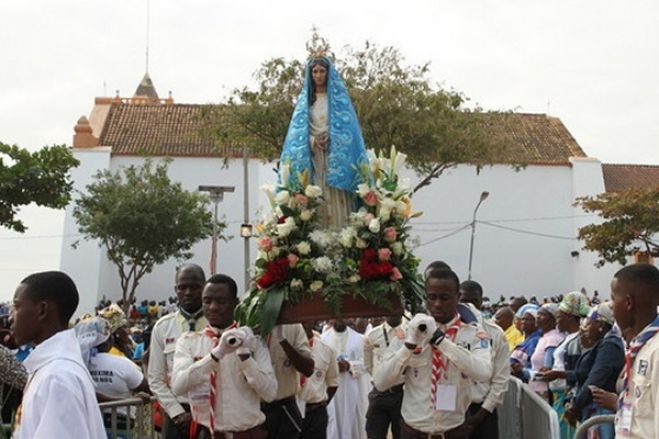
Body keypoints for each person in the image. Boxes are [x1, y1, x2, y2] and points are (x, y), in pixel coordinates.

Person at [374, 268, 492, 438]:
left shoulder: (473, 333)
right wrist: (407, 347)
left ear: (458, 297)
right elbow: (381, 382)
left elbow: (483, 373)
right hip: (414, 432)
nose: (437, 304)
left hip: (454, 432)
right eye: (432, 297)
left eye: (444, 298)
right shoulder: (409, 331)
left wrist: (441, 341)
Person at [171, 274, 276, 438]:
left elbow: (269, 393)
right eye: (207, 301)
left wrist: (245, 357)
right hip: (207, 433)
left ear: (236, 303)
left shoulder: (253, 341)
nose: (213, 307)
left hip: (246, 434)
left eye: (221, 301)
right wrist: (215, 355)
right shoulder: (189, 342)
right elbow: (178, 386)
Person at [279, 42, 368, 229]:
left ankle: (342, 239)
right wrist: (312, 141)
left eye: (322, 71)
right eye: (315, 72)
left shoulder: (340, 102)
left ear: (328, 73)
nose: (318, 75)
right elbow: (296, 136)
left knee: (337, 198)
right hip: (313, 158)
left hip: (336, 156)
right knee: (316, 196)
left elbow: (349, 130)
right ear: (310, 75)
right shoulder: (305, 103)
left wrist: (334, 139)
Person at [10, 271, 105, 439]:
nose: (11, 318)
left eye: (17, 307)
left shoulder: (58, 377)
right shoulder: (49, 369)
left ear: (42, 310)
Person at [148, 263, 208, 439]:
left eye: (194, 287)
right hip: (175, 417)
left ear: (204, 287)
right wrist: (177, 413)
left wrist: (203, 413)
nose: (188, 292)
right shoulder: (163, 327)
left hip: (212, 415)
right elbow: (155, 379)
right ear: (176, 290)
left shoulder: (218, 324)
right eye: (182, 287)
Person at [76, 316, 151, 437]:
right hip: (119, 427)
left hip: (86, 427)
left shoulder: (76, 365)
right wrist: (129, 400)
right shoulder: (123, 364)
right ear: (109, 340)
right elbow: (146, 389)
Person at [611, 264, 659, 438]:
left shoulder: (656, 351)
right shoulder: (641, 346)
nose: (611, 307)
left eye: (613, 298)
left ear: (628, 303)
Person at [564, 302, 624, 439]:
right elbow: (584, 374)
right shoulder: (603, 344)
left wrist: (576, 406)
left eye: (590, 323)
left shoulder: (610, 346)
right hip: (595, 411)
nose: (586, 328)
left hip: (601, 413)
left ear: (601, 326)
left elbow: (595, 380)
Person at [460, 281, 510, 439]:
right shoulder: (446, 333)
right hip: (452, 413)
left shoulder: (495, 334)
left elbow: (500, 380)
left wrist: (479, 417)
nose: (469, 305)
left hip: (483, 412)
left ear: (481, 301)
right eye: (463, 301)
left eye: (473, 301)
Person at [541, 291, 590, 439]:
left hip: (569, 400)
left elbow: (582, 371)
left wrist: (558, 374)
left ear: (569, 316)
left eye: (559, 316)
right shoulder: (568, 338)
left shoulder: (581, 340)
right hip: (560, 398)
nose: (557, 321)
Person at [263, 322, 314, 439]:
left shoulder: (293, 326)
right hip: (254, 408)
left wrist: (283, 341)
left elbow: (308, 369)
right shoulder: (246, 319)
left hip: (285, 409)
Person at [322, 318, 369, 439]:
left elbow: (366, 365)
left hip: (352, 386)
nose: (340, 319)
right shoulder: (323, 339)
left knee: (352, 420)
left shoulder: (358, 339)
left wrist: (349, 365)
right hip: (331, 389)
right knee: (333, 420)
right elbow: (319, 365)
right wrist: (333, 367)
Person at [363, 313, 406, 439]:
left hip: (402, 394)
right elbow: (368, 365)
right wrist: (381, 379)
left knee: (402, 434)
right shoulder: (372, 335)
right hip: (379, 394)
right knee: (374, 433)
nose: (392, 312)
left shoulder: (411, 333)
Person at [298, 321, 339, 439]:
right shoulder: (286, 349)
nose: (303, 323)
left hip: (316, 413)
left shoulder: (326, 350)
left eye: (306, 319)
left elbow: (333, 383)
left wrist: (321, 405)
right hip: (291, 411)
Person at [528, 303, 565, 399]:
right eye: (538, 314)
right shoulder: (545, 337)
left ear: (553, 320)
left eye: (543, 315)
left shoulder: (552, 339)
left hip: (543, 392)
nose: (538, 317)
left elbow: (547, 371)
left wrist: (524, 372)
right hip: (537, 389)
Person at [510, 304, 541, 382]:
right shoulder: (525, 340)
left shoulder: (535, 341)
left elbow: (531, 365)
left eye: (528, 320)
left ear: (536, 323)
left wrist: (520, 369)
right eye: (523, 319)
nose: (524, 322)